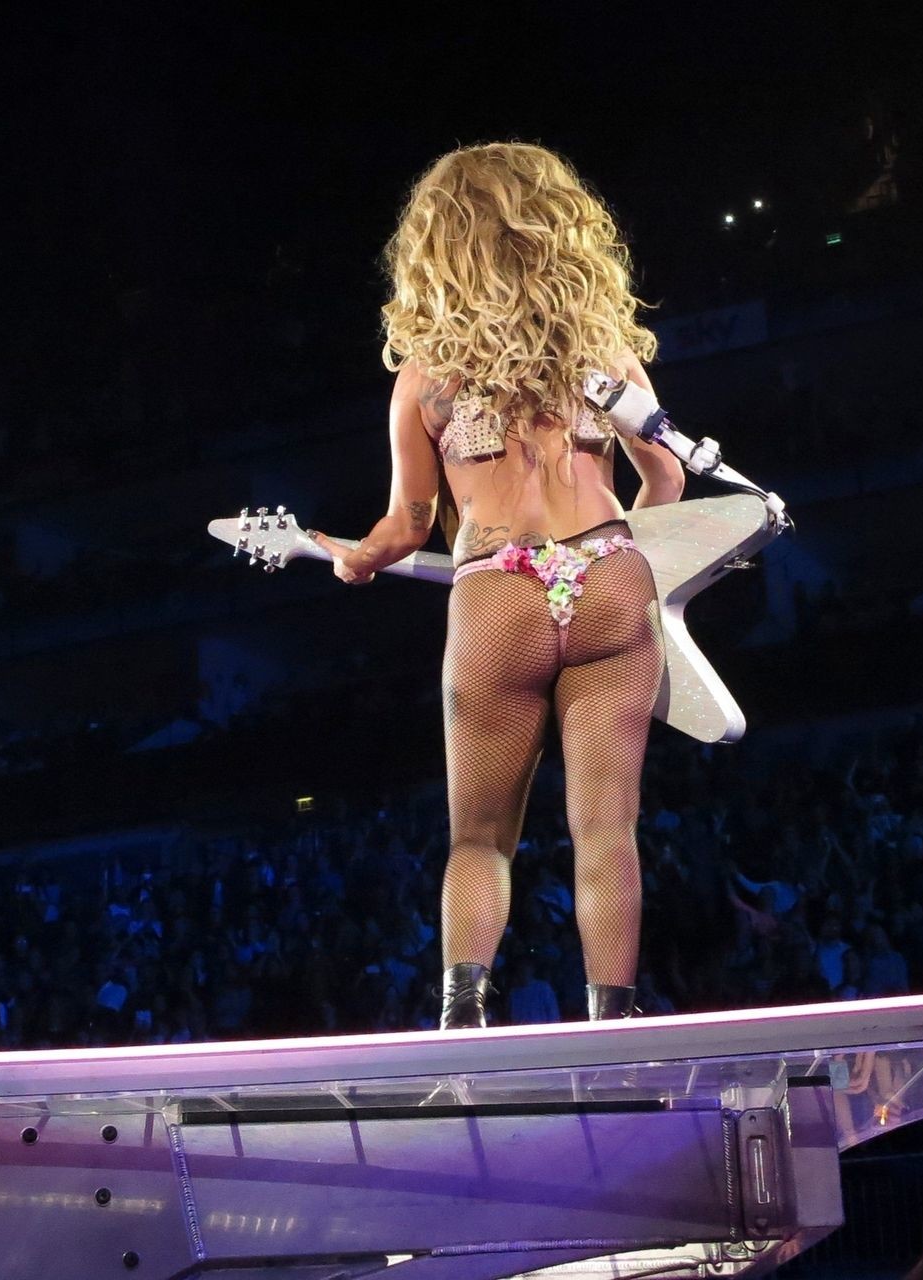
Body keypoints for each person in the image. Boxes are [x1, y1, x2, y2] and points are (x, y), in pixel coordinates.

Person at [314, 142, 685, 1028]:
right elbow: (667, 477)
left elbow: (408, 525)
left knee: (480, 837)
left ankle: (464, 1016)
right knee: (606, 830)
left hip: (500, 590)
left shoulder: (426, 377)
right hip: (607, 575)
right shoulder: (605, 353)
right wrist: (631, 562)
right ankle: (613, 1016)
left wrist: (352, 557)